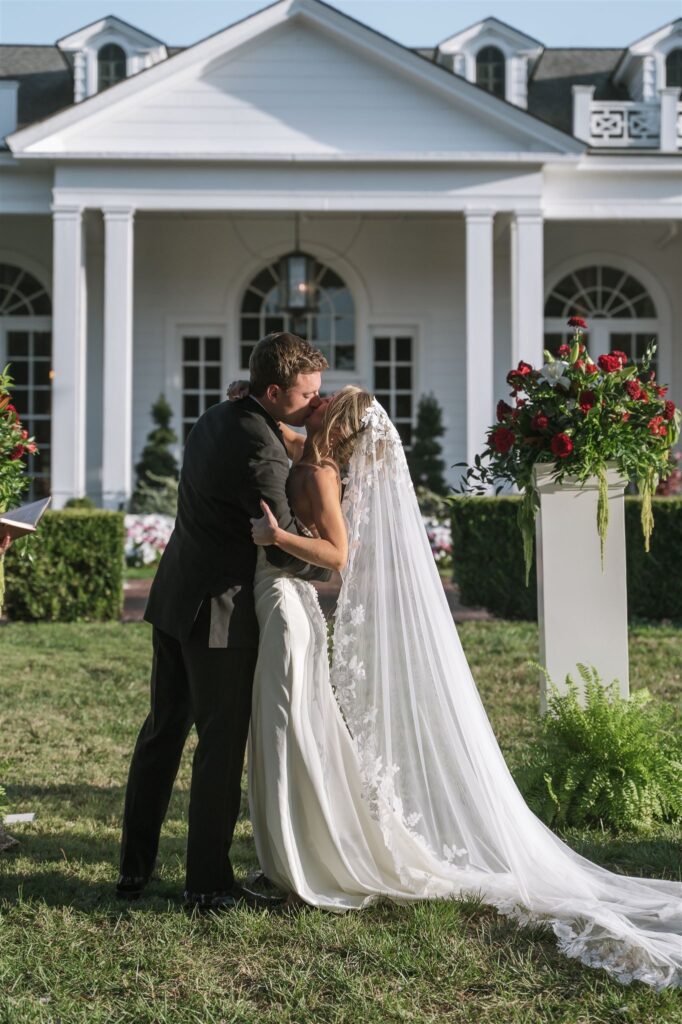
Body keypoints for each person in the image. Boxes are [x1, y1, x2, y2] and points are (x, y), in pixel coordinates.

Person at [244, 384, 681, 990]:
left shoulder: (318, 471)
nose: (312, 403)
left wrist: (276, 540)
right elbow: (288, 436)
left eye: (323, 401)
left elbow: (338, 553)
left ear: (335, 422)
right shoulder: (308, 454)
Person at [117, 332, 330, 910]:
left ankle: (133, 870)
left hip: (174, 593)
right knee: (219, 744)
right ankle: (207, 883)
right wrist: (327, 566)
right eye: (308, 393)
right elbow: (281, 549)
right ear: (273, 390)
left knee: (162, 733)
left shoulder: (217, 415)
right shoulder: (262, 452)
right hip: (220, 613)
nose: (317, 401)